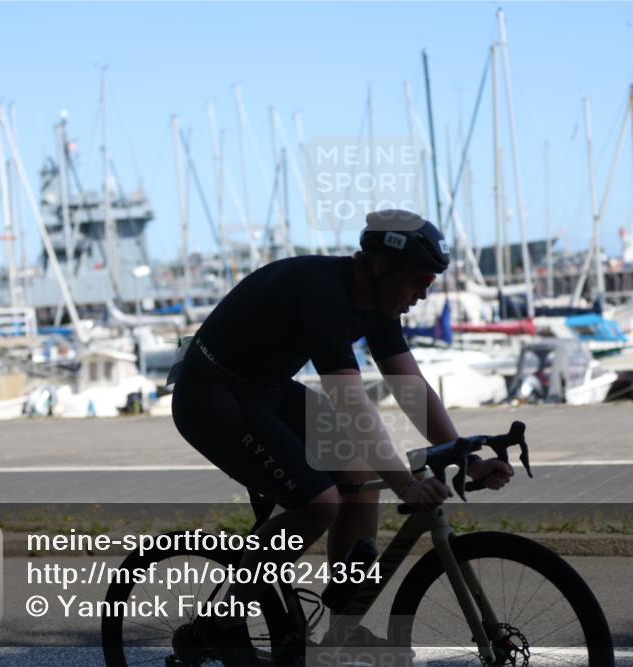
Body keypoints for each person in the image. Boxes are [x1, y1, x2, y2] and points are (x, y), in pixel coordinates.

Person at [170, 210, 514, 664]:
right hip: (210, 395)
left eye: (429, 283)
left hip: (264, 390)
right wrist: (407, 484)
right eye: (417, 281)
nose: (422, 294)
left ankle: (344, 628)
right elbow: (353, 404)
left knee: (359, 474)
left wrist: (463, 455)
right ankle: (225, 620)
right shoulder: (323, 295)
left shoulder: (377, 302)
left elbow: (409, 386)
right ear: (377, 266)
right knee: (319, 503)